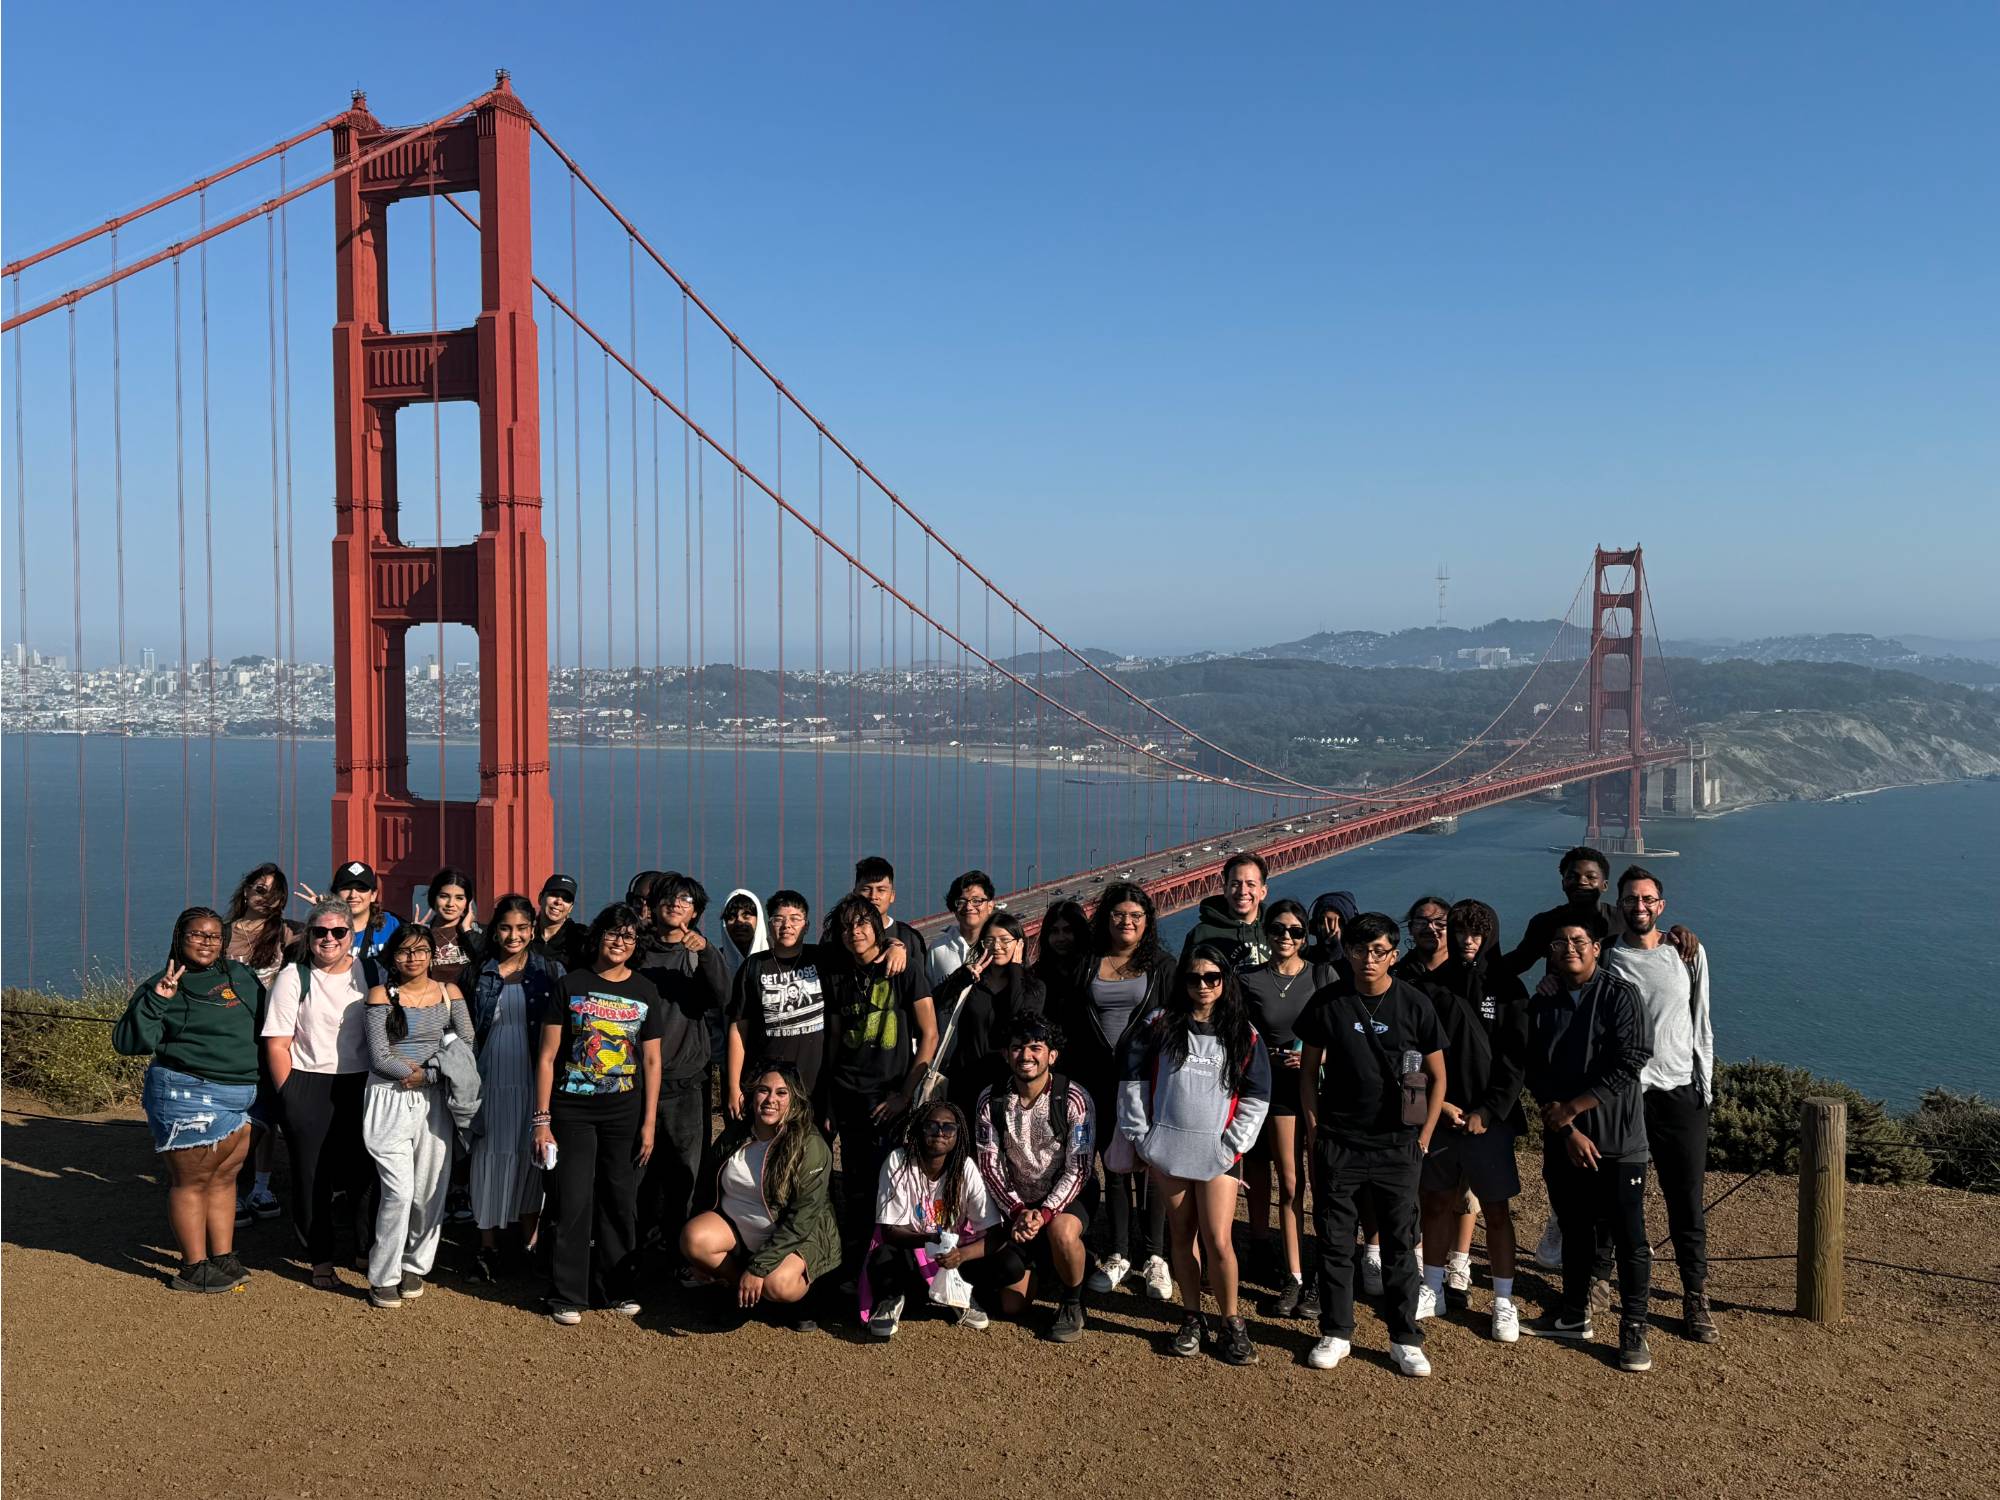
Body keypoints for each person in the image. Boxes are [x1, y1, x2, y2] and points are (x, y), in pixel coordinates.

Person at [1295, 911, 1447, 1377]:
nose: (1368, 959)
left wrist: (1422, 1138)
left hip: (1397, 1145)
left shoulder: (1415, 1004)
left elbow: (1438, 1077)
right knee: (1336, 1242)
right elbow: (1308, 1072)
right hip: (1339, 1142)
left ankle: (1405, 1339)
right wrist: (1316, 1129)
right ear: (1347, 952)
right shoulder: (1328, 1002)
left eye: (1379, 951)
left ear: (1393, 955)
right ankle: (1336, 1331)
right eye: (1359, 950)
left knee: (1401, 1243)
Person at [1120, 946, 1273, 1365]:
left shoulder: (1244, 1032)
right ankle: (1191, 1317)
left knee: (1218, 1240)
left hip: (1218, 1151)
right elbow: (1132, 1080)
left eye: (1212, 977)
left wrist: (1234, 1144)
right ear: (1182, 982)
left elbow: (1258, 1096)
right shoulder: (1159, 1024)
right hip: (1169, 1147)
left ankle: (1231, 1322)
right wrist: (1142, 1138)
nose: (1202, 985)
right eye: (1194, 978)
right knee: (1181, 1236)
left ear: (1225, 981)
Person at [1523, 908, 1656, 1374]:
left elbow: (1631, 1060)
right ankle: (1574, 1314)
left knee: (1629, 1237)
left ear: (1597, 948)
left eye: (1580, 941)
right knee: (1576, 1231)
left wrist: (1574, 1110)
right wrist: (1567, 1129)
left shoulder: (1622, 994)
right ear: (1551, 953)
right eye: (1560, 943)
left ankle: (1633, 1328)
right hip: (1565, 1138)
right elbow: (1535, 1071)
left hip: (1620, 1141)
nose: (1570, 949)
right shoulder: (1543, 1003)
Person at [113, 907, 262, 1293]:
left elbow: (269, 1025)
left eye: (214, 936)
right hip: (187, 1093)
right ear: (180, 937)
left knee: (225, 1178)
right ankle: (194, 1267)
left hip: (238, 1097)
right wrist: (160, 999)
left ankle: (223, 1257)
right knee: (192, 1181)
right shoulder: (161, 984)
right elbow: (129, 1043)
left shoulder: (242, 977)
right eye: (197, 935)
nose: (207, 943)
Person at [531, 903, 665, 1325]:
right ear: (598, 936)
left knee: (620, 1200)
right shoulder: (571, 984)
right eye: (612, 933)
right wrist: (543, 1119)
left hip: (624, 1112)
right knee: (572, 1199)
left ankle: (617, 1287)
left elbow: (652, 1063)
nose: (620, 942)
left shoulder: (645, 990)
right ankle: (567, 1294)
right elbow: (548, 1057)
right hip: (572, 1111)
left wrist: (648, 1123)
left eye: (629, 936)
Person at [1604, 865, 1717, 1344]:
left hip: (1679, 1091)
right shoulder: (1606, 957)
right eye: (1631, 899)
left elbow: (1702, 1019)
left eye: (1648, 899)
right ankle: (1597, 1281)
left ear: (1661, 906)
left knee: (1685, 1199)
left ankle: (1695, 1295)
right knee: (1618, 1199)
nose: (1640, 907)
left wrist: (1704, 1087)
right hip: (1626, 1094)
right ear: (1619, 907)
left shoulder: (1686, 952)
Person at [1416, 899, 1530, 1341]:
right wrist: (1433, 1106)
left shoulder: (1510, 989)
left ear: (1491, 935)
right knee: (1436, 1202)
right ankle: (1433, 1287)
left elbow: (1516, 1062)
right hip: (1441, 1116)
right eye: (1460, 930)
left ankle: (1503, 1302)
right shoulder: (1430, 987)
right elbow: (1415, 1055)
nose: (1468, 940)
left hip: (1490, 1121)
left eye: (1478, 933)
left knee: (1497, 1211)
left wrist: (1488, 1111)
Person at [1062, 882, 1177, 1301]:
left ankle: (1155, 1258)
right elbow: (1070, 1021)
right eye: (1118, 915)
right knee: (1114, 1167)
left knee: (1151, 1169)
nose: (1126, 922)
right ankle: (1119, 1254)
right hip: (1097, 1081)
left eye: (1135, 916)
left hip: (1147, 1083)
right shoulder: (1087, 963)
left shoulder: (1163, 966)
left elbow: (1178, 1024)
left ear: (1147, 923)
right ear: (1105, 919)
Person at [263, 895, 377, 1292]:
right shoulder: (294, 977)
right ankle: (321, 1257)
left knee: (364, 1173)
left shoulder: (370, 971)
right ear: (309, 935)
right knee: (313, 1177)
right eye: (320, 932)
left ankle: (365, 1249)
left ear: (351, 936)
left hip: (361, 1082)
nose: (328, 939)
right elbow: (278, 1043)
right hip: (309, 1082)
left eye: (338, 932)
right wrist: (290, 1094)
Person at [820, 894, 938, 1270]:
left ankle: (897, 1267)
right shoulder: (839, 974)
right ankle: (858, 1267)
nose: (854, 932)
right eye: (846, 927)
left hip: (890, 1097)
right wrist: (829, 1098)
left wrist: (906, 1093)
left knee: (893, 1184)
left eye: (862, 924)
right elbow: (836, 1040)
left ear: (876, 927)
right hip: (848, 1094)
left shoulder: (905, 970)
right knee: (856, 1184)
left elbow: (930, 1034)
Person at [359, 924, 473, 1308]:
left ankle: (415, 1264)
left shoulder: (449, 992)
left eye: (422, 950)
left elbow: (468, 1043)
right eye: (405, 951)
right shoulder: (380, 996)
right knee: (399, 1191)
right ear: (393, 956)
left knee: (429, 1191)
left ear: (433, 954)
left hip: (434, 1098)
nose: (414, 958)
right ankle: (383, 1275)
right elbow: (378, 1056)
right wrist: (414, 1074)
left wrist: (430, 1076)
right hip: (389, 1099)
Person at [1239, 898, 1338, 1317]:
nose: (1286, 937)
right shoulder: (1249, 980)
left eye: (1296, 931)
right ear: (1266, 932)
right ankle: (1295, 1278)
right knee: (1292, 1184)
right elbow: (1239, 1035)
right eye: (1278, 929)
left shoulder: (1322, 974)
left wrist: (1319, 1057)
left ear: (1306, 936)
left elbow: (1344, 1033)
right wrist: (1266, 1055)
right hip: (1277, 1090)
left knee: (1324, 1185)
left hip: (1318, 1090)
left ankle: (1324, 1276)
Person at [681, 1062, 837, 1324]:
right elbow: (706, 1190)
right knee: (694, 1239)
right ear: (753, 1096)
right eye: (764, 1091)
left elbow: (802, 1219)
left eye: (781, 1093)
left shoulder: (811, 1145)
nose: (770, 1100)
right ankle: (743, 1289)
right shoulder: (734, 1135)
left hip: (793, 1237)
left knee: (779, 1285)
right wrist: (694, 1260)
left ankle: (800, 1295)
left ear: (794, 1099)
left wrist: (758, 1267)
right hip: (739, 1230)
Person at [973, 1015, 1095, 1342]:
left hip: (1066, 1198)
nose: (1026, 1056)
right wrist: (1016, 1212)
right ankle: (1048, 1262)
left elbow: (1079, 1168)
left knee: (1063, 1233)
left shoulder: (1073, 1098)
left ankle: (1072, 1303)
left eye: (1036, 1048)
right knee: (1011, 1307)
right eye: (1016, 1048)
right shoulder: (992, 1099)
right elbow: (989, 1164)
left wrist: (1044, 1213)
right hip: (1017, 1204)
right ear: (1005, 1054)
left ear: (1052, 1055)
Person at [465, 893, 559, 1280]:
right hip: (489, 1075)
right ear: (493, 930)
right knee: (487, 1154)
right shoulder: (477, 972)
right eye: (505, 927)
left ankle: (528, 1242)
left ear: (533, 930)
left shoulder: (550, 972)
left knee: (528, 1156)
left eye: (522, 928)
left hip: (532, 1076)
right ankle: (488, 1247)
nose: (513, 935)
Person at [637, 875, 727, 1258]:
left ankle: (680, 1252)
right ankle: (640, 1245)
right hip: (636, 1078)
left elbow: (726, 996)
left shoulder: (699, 953)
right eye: (667, 898)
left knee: (685, 1172)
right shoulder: (636, 951)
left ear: (696, 911)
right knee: (638, 1169)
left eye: (685, 899)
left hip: (686, 1081)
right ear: (653, 906)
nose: (675, 904)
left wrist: (705, 951)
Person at [864, 1099, 1000, 1335]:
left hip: (952, 1255)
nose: (940, 1132)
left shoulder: (965, 1167)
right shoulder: (898, 1161)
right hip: (909, 1249)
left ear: (958, 1135)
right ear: (919, 1128)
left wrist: (961, 1256)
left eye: (949, 1128)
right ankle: (891, 1299)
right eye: (931, 1126)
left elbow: (995, 1231)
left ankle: (959, 1295)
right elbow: (889, 1230)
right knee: (883, 1255)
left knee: (1005, 1263)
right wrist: (929, 1240)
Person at [221, 862, 297, 1225]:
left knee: (268, 1114)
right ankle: (229, 1187)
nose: (266, 896)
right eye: (259, 887)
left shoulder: (286, 934)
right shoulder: (219, 934)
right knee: (232, 1116)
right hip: (231, 1036)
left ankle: (261, 1187)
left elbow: (332, 941)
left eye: (275, 891)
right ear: (246, 888)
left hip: (272, 1035)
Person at [929, 912, 1046, 1116]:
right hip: (966, 1078)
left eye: (1004, 940)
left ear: (1019, 944)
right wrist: (961, 977)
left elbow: (1022, 1021)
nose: (996, 946)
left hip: (1009, 1082)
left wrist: (1016, 969)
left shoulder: (1034, 987)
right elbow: (934, 1005)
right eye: (989, 940)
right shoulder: (972, 981)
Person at [726, 891, 828, 1119]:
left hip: (815, 1087)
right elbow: (738, 1030)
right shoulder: (754, 967)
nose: (787, 925)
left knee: (813, 1151)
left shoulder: (823, 959)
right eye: (779, 919)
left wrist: (894, 945)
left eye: (795, 918)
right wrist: (734, 1088)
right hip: (766, 1089)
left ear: (807, 925)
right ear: (769, 924)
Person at [1178, 851, 1270, 970]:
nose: (1242, 891)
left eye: (1251, 884)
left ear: (1263, 892)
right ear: (1225, 889)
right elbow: (1185, 982)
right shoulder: (1202, 935)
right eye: (1235, 884)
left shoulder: (1280, 929)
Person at [852, 854, 927, 972]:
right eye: (866, 889)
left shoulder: (910, 938)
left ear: (892, 896)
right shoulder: (837, 935)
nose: (873, 897)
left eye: (881, 890)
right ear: (855, 894)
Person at [928, 869, 995, 986]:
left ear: (990, 906)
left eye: (976, 900)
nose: (969, 907)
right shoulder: (937, 950)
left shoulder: (999, 949)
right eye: (961, 901)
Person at [420, 866, 483, 991]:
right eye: (444, 896)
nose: (450, 904)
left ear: (467, 903)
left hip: (468, 1006)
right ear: (434, 897)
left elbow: (487, 963)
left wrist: (467, 930)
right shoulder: (422, 933)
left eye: (459, 898)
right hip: (430, 1005)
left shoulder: (478, 933)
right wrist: (415, 939)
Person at [328, 860, 399, 961]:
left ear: (373, 895)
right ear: (335, 894)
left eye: (361, 888)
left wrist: (416, 936)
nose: (353, 895)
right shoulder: (323, 930)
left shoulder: (390, 925)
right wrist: (321, 912)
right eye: (346, 888)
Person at [531, 874, 591, 970]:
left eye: (566, 899)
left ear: (571, 908)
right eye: (554, 894)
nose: (559, 902)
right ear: (540, 898)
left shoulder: (580, 936)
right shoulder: (524, 934)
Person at [1394, 896, 1452, 985]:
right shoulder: (1394, 976)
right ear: (1410, 928)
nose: (1430, 928)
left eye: (1439, 923)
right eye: (1421, 922)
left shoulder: (1466, 973)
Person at [1304, 891, 1358, 971]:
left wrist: (1336, 952)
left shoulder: (1360, 959)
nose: (1333, 927)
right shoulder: (1303, 957)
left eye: (1339, 922)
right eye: (1326, 921)